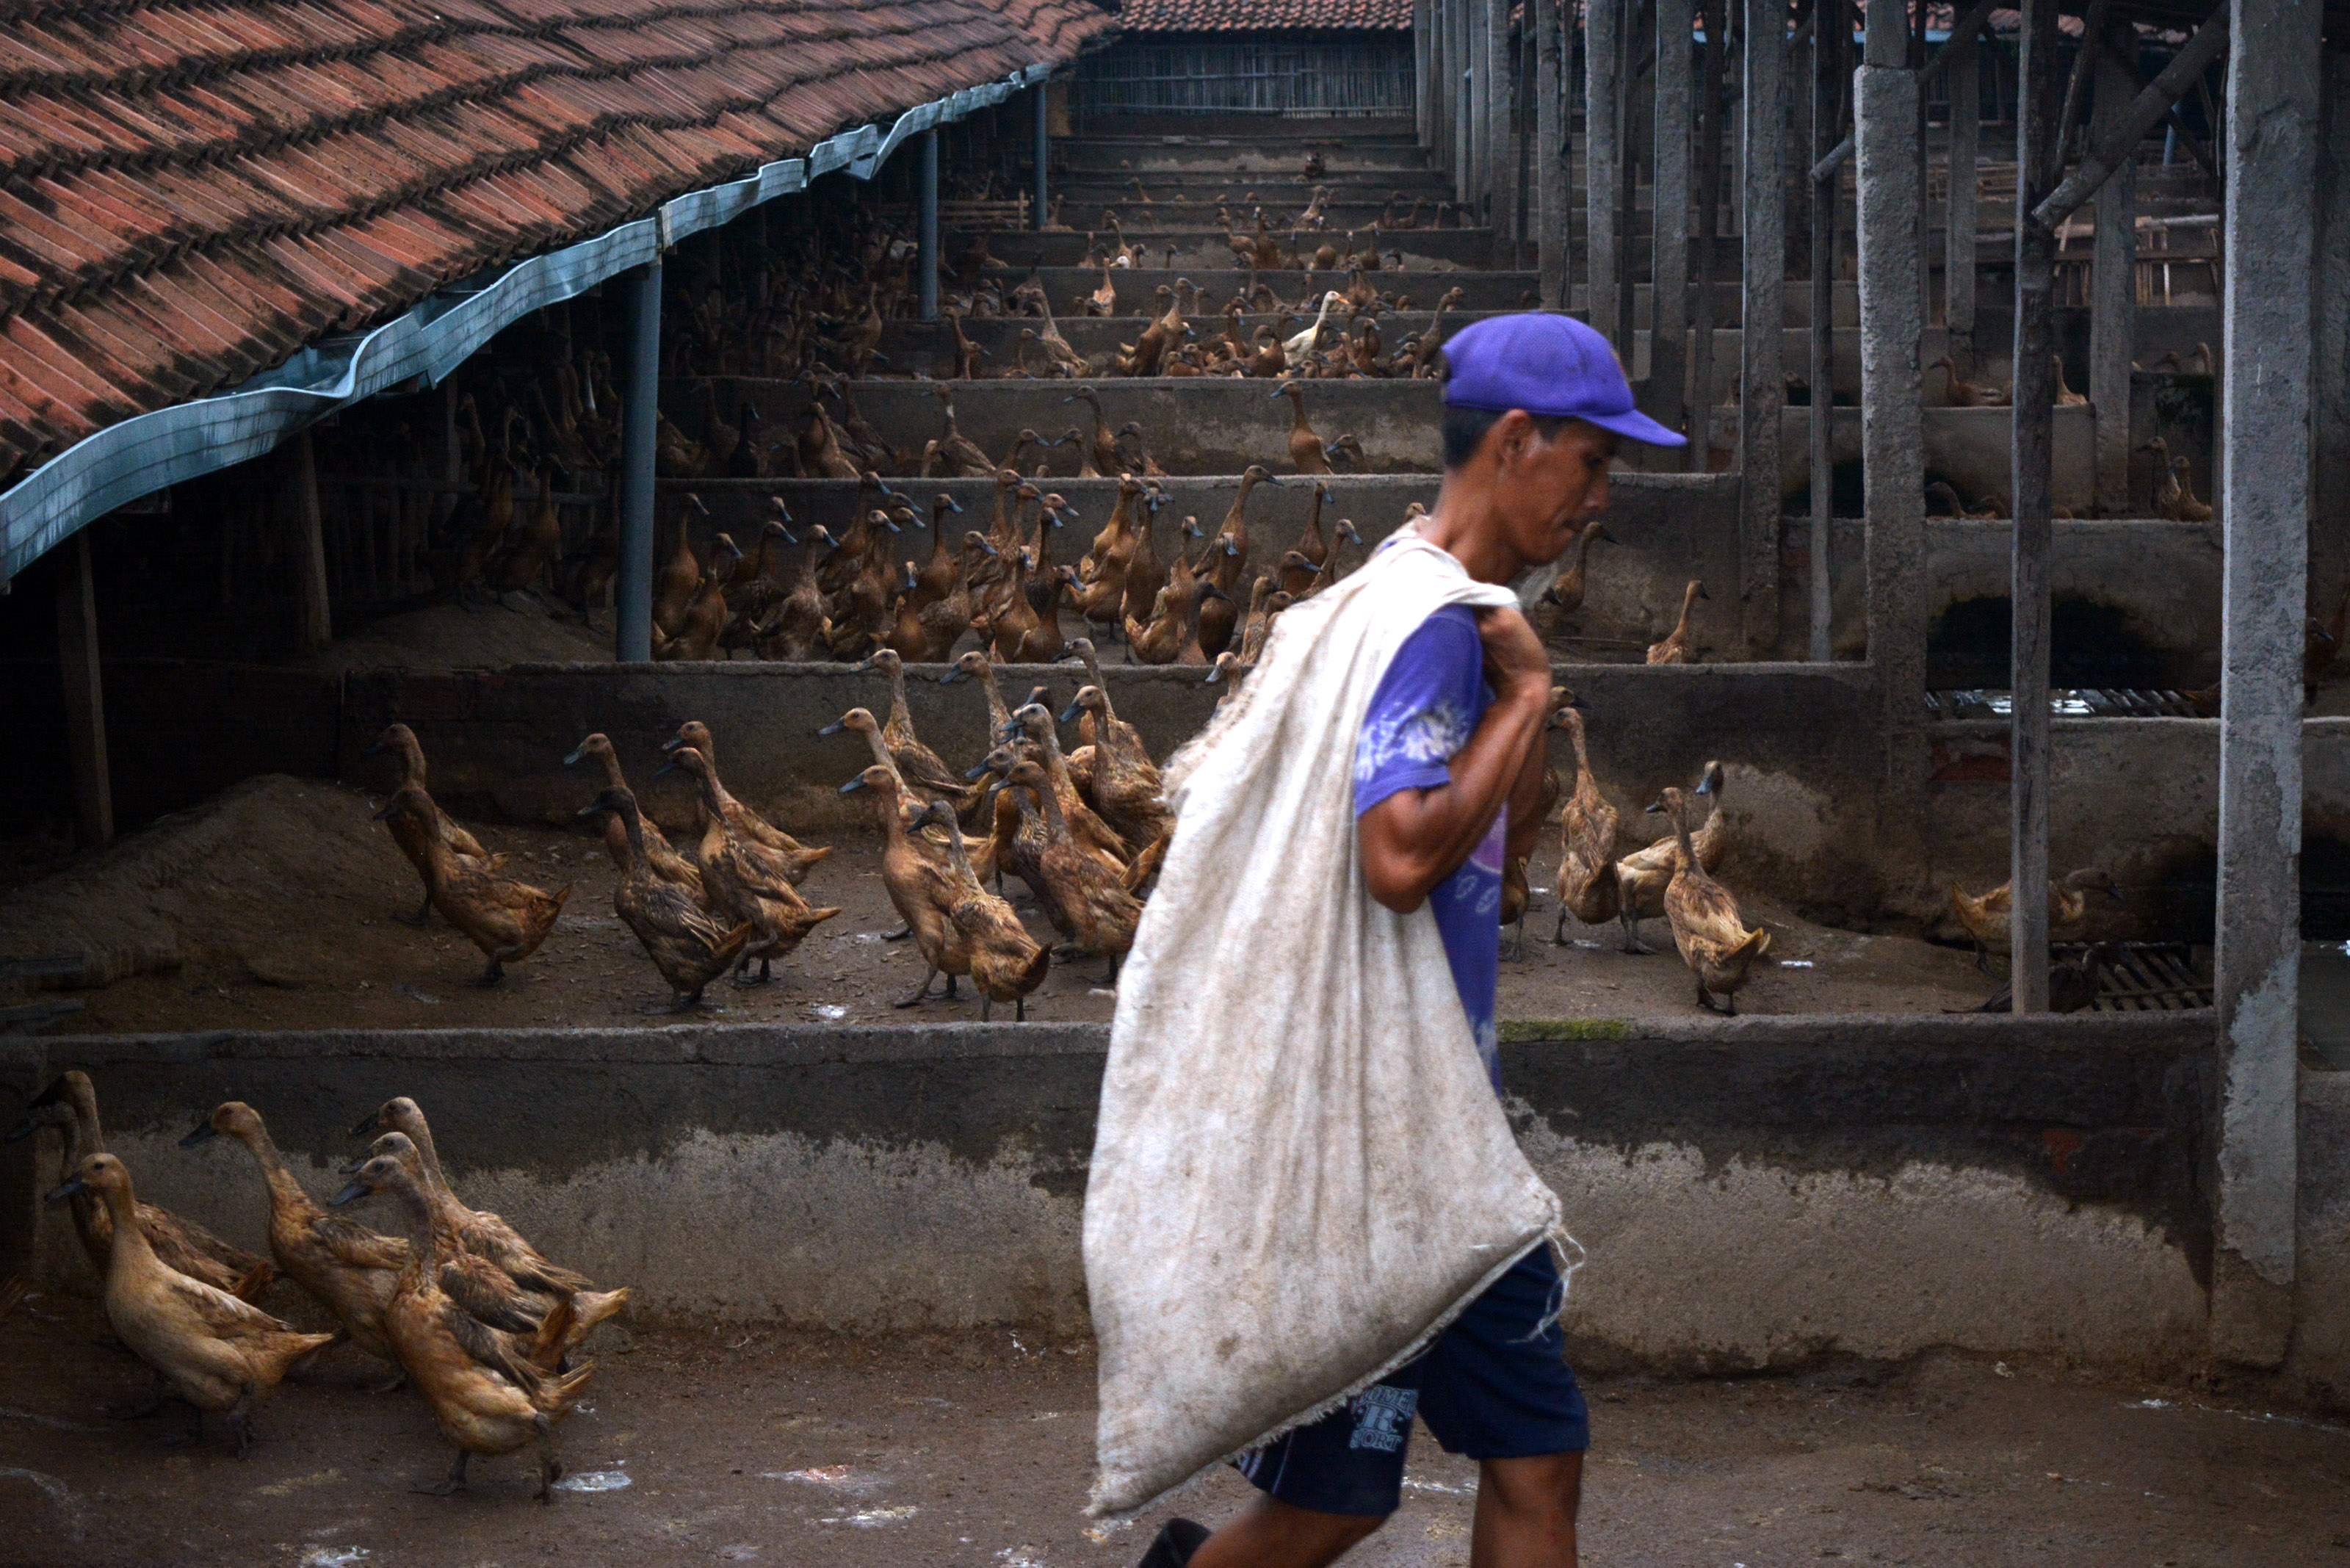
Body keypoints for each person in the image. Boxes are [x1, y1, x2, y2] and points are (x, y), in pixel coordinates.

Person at [1135, 314, 1685, 1568]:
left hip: (1442, 1141)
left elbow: (1506, 849)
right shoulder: (1432, 627)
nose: (1602, 497)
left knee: (1533, 1458)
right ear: (1516, 440)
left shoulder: (1428, 597)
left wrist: (1516, 703)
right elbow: (1399, 862)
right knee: (1337, 1503)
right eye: (1593, 462)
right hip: (1378, 1150)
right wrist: (1531, 695)